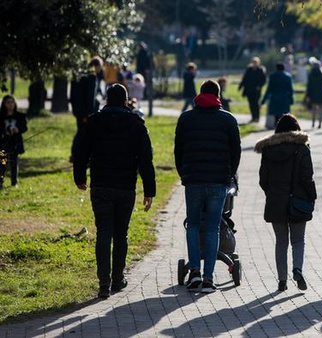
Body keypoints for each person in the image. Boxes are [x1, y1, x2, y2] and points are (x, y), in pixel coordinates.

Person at [73, 84, 156, 299]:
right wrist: (149, 190)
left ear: (107, 100)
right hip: (125, 186)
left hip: (100, 184)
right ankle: (118, 279)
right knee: (121, 234)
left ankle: (103, 283)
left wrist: (80, 177)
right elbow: (146, 159)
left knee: (103, 232)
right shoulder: (136, 124)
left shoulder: (94, 121)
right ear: (126, 100)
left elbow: (81, 151)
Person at [174, 80, 241, 293]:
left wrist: (184, 174)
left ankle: (194, 271)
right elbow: (236, 152)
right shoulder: (228, 120)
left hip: (193, 180)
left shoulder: (186, 118)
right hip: (218, 181)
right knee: (213, 228)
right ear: (218, 95)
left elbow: (179, 150)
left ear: (200, 94)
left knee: (193, 225)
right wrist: (229, 175)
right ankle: (209, 278)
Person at [254, 114, 317, 292]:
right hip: (299, 200)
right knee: (298, 240)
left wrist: (272, 193)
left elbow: (263, 180)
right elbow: (307, 177)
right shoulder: (302, 148)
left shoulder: (268, 150)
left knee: (281, 242)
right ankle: (297, 269)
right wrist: (311, 195)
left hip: (276, 201)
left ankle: (282, 281)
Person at [70, 56, 103, 162]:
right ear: (97, 66)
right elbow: (90, 97)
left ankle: (76, 154)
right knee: (84, 134)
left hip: (78, 110)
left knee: (80, 132)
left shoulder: (78, 75)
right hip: (86, 112)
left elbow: (72, 95)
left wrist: (75, 110)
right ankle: (78, 155)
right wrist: (89, 114)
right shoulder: (92, 76)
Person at [0, 95, 27, 188]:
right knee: (2, 163)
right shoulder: (1, 116)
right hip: (3, 144)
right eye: (8, 102)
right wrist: (6, 131)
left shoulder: (20, 116)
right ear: (4, 104)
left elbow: (24, 128)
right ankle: (0, 182)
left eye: (12, 102)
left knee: (14, 163)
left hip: (15, 144)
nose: (10, 104)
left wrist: (17, 129)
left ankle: (14, 182)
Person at [261, 63, 294, 129]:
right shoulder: (288, 77)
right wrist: (291, 100)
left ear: (276, 68)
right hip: (284, 99)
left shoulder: (272, 76)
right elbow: (290, 90)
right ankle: (283, 128)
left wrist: (263, 101)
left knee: (276, 115)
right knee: (284, 115)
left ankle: (276, 128)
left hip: (274, 98)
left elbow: (269, 89)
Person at [238, 56, 267, 123]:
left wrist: (259, 86)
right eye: (253, 62)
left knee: (256, 104)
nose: (254, 63)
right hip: (249, 90)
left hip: (256, 91)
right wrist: (240, 86)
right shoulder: (249, 69)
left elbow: (264, 80)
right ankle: (253, 117)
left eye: (255, 62)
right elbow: (245, 78)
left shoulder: (260, 70)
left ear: (258, 63)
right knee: (251, 104)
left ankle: (257, 117)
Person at [305, 58, 322, 129]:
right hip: (321, 93)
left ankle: (313, 123)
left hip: (313, 94)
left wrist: (308, 95)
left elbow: (308, 85)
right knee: (321, 108)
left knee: (313, 108)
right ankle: (320, 123)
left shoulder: (311, 73)